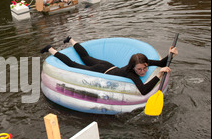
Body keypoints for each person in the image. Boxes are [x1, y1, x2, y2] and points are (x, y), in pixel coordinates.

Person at [40, 36, 179, 96]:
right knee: (74, 63)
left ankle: (70, 39)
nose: (143, 72)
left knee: (86, 57)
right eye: (139, 69)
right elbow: (143, 90)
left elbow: (161, 63)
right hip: (101, 70)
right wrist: (159, 75)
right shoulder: (131, 73)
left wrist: (170, 53)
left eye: (145, 68)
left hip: (109, 66)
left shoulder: (143, 61)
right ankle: (51, 49)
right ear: (133, 67)